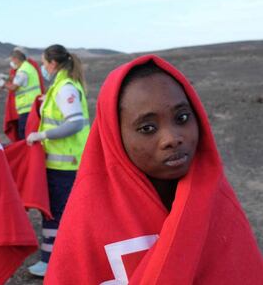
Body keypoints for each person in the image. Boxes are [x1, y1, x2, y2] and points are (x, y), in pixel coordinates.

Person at [44, 55, 263, 284]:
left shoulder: (218, 204)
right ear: (115, 135)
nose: (172, 138)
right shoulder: (86, 218)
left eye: (182, 117)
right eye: (147, 128)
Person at [26, 44, 90, 276]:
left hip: (65, 165)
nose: (43, 68)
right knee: (61, 213)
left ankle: (50, 262)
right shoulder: (60, 87)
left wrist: (42, 135)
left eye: (43, 64)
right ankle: (61, 259)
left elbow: (74, 123)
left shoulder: (65, 88)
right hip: (63, 163)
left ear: (53, 64)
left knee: (55, 214)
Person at [1, 47, 43, 139]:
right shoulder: (28, 67)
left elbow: (13, 87)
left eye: (12, 60)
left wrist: (3, 84)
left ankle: (26, 153)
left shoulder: (22, 71)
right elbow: (19, 80)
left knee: (23, 134)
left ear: (16, 59)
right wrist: (7, 77)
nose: (12, 62)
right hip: (33, 106)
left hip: (27, 109)